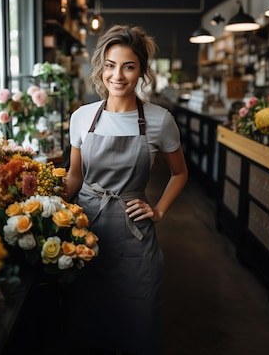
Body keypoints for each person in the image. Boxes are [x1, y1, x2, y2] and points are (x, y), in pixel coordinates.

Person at [65, 24, 188, 355]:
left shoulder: (160, 120)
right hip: (85, 230)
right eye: (110, 65)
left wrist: (159, 210)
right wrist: (49, 205)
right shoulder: (81, 117)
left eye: (128, 66)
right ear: (101, 67)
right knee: (89, 317)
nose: (117, 75)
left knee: (138, 317)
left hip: (135, 233)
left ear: (141, 71)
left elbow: (179, 173)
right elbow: (75, 177)